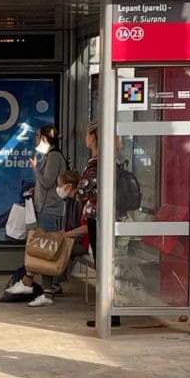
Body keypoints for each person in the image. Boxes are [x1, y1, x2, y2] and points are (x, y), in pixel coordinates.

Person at [5, 124, 67, 306]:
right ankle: (45, 291)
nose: (35, 139)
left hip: (49, 210)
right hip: (46, 208)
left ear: (43, 137)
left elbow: (47, 181)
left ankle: (30, 282)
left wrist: (35, 168)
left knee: (43, 250)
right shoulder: (50, 156)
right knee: (43, 250)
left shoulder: (54, 156)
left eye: (38, 136)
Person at [75, 121, 121, 328]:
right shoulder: (113, 159)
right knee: (109, 265)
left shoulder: (95, 164)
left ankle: (107, 313)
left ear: (93, 137)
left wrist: (77, 191)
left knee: (103, 266)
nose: (85, 138)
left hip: (98, 218)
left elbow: (82, 193)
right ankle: (113, 310)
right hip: (111, 217)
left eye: (87, 134)